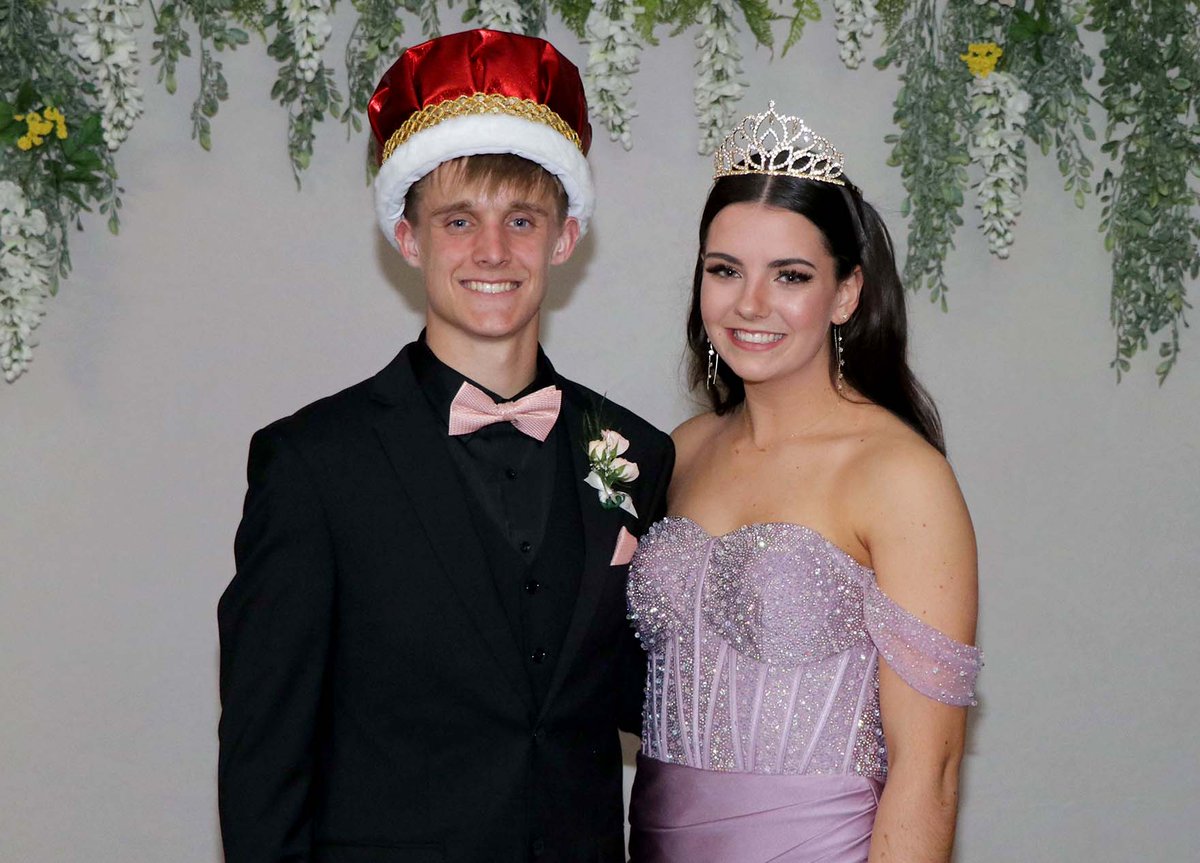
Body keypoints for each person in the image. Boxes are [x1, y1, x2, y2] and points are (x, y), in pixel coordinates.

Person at [217, 29, 673, 863]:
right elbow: (262, 759)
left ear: (564, 239)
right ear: (408, 238)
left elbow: (649, 697)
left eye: (521, 219)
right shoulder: (314, 463)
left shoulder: (637, 452)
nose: (492, 251)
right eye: (458, 220)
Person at [625, 102, 982, 862]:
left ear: (847, 293)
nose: (750, 304)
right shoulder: (681, 452)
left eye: (790, 275)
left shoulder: (899, 475)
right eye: (725, 271)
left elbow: (932, 773)